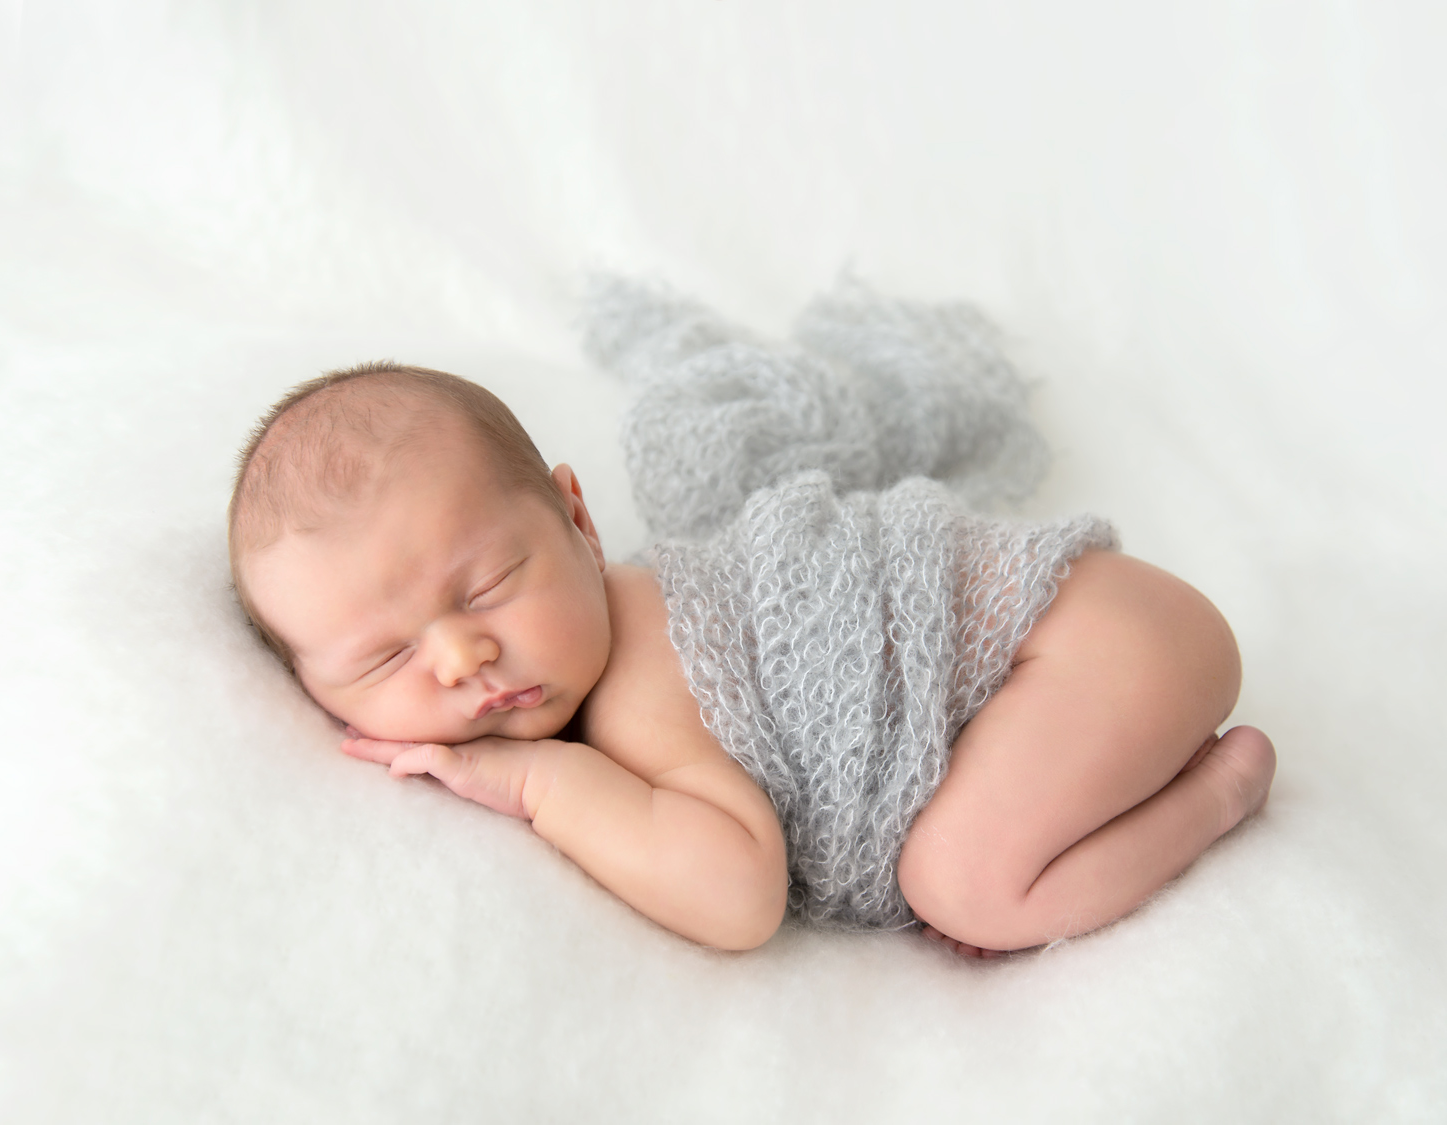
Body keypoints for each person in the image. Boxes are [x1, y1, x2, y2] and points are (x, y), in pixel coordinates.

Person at [229, 292, 1275, 958]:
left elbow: (738, 896)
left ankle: (1218, 791)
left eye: (492, 582)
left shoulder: (644, 667)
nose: (462, 655)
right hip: (1088, 645)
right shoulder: (588, 660)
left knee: (966, 887)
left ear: (581, 522)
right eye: (388, 656)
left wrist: (541, 782)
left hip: (1097, 643)